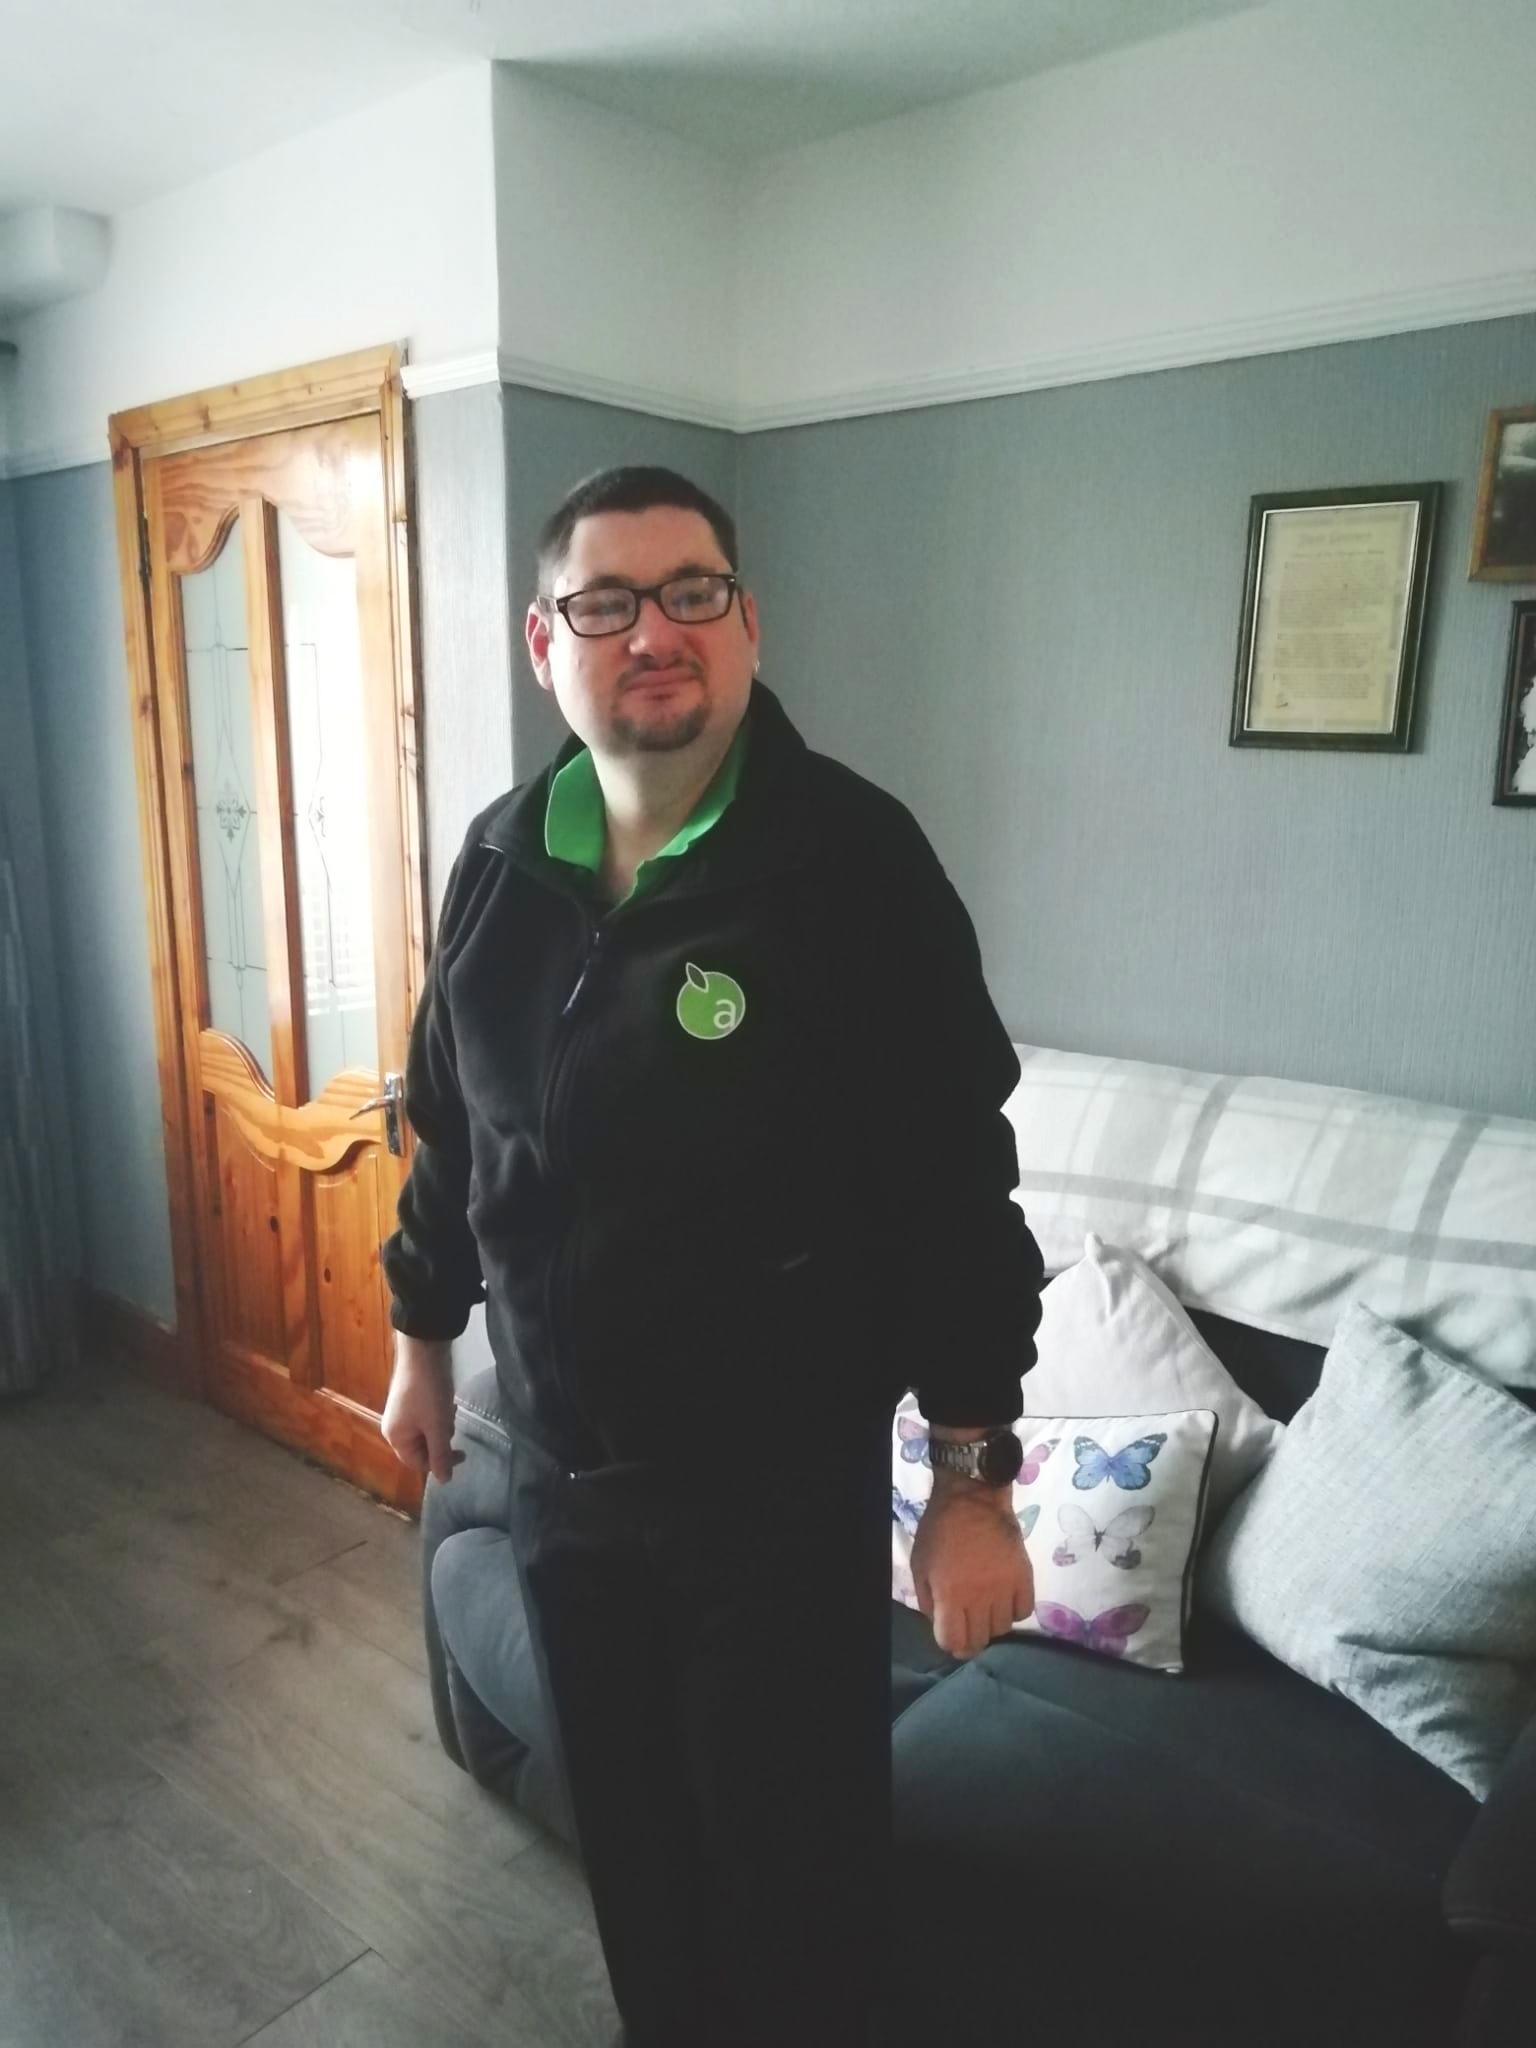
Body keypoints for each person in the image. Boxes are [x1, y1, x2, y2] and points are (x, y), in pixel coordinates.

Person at [379, 466, 1045, 2048]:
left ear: (747, 624)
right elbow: (454, 1137)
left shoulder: (854, 865)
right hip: (557, 1479)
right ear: (546, 642)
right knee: (636, 1855)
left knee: (793, 1878)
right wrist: (421, 1341)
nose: (652, 631)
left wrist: (972, 1482)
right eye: (606, 601)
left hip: (770, 1507)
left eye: (690, 593)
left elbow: (956, 1191)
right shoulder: (497, 862)